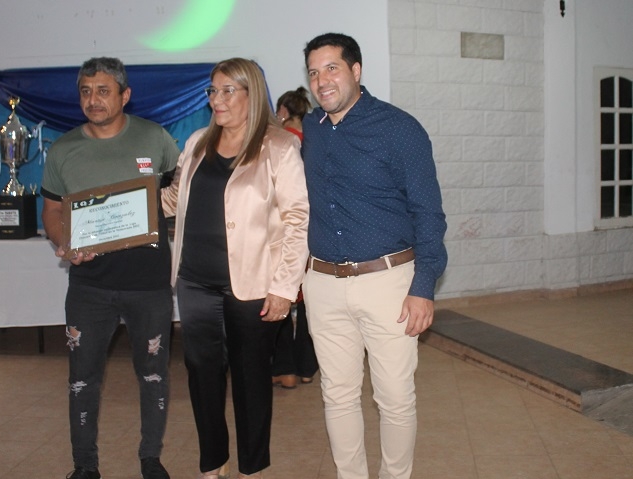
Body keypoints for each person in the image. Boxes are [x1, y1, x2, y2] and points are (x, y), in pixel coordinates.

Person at [301, 33, 448, 479]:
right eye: (313, 72)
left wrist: (423, 288)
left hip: (389, 284)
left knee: (395, 399)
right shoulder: (310, 129)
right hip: (323, 284)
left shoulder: (400, 129)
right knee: (337, 395)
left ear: (356, 70)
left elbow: (429, 214)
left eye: (332, 68)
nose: (322, 80)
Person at [161, 58, 308, 479]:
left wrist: (284, 288)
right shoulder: (197, 142)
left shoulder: (279, 146)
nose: (217, 100)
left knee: (251, 379)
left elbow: (297, 219)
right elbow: (173, 201)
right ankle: (213, 463)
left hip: (254, 285)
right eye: (213, 91)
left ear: (252, 93)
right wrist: (120, 208)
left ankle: (252, 468)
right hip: (195, 282)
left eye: (228, 91)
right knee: (201, 375)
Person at [41, 57, 179, 479]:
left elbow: (179, 192)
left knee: (153, 375)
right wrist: (65, 244)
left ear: (125, 95)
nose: (93, 100)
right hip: (89, 286)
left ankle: (151, 459)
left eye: (103, 91)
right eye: (86, 91)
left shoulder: (154, 138)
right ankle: (85, 466)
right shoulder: (63, 150)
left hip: (149, 284)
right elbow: (51, 212)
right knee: (82, 379)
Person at [271, 87, 318, 389]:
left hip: (285, 230)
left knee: (281, 298)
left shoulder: (279, 141)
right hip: (314, 232)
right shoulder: (314, 138)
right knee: (310, 302)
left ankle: (284, 368)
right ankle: (307, 367)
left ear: (284, 111)